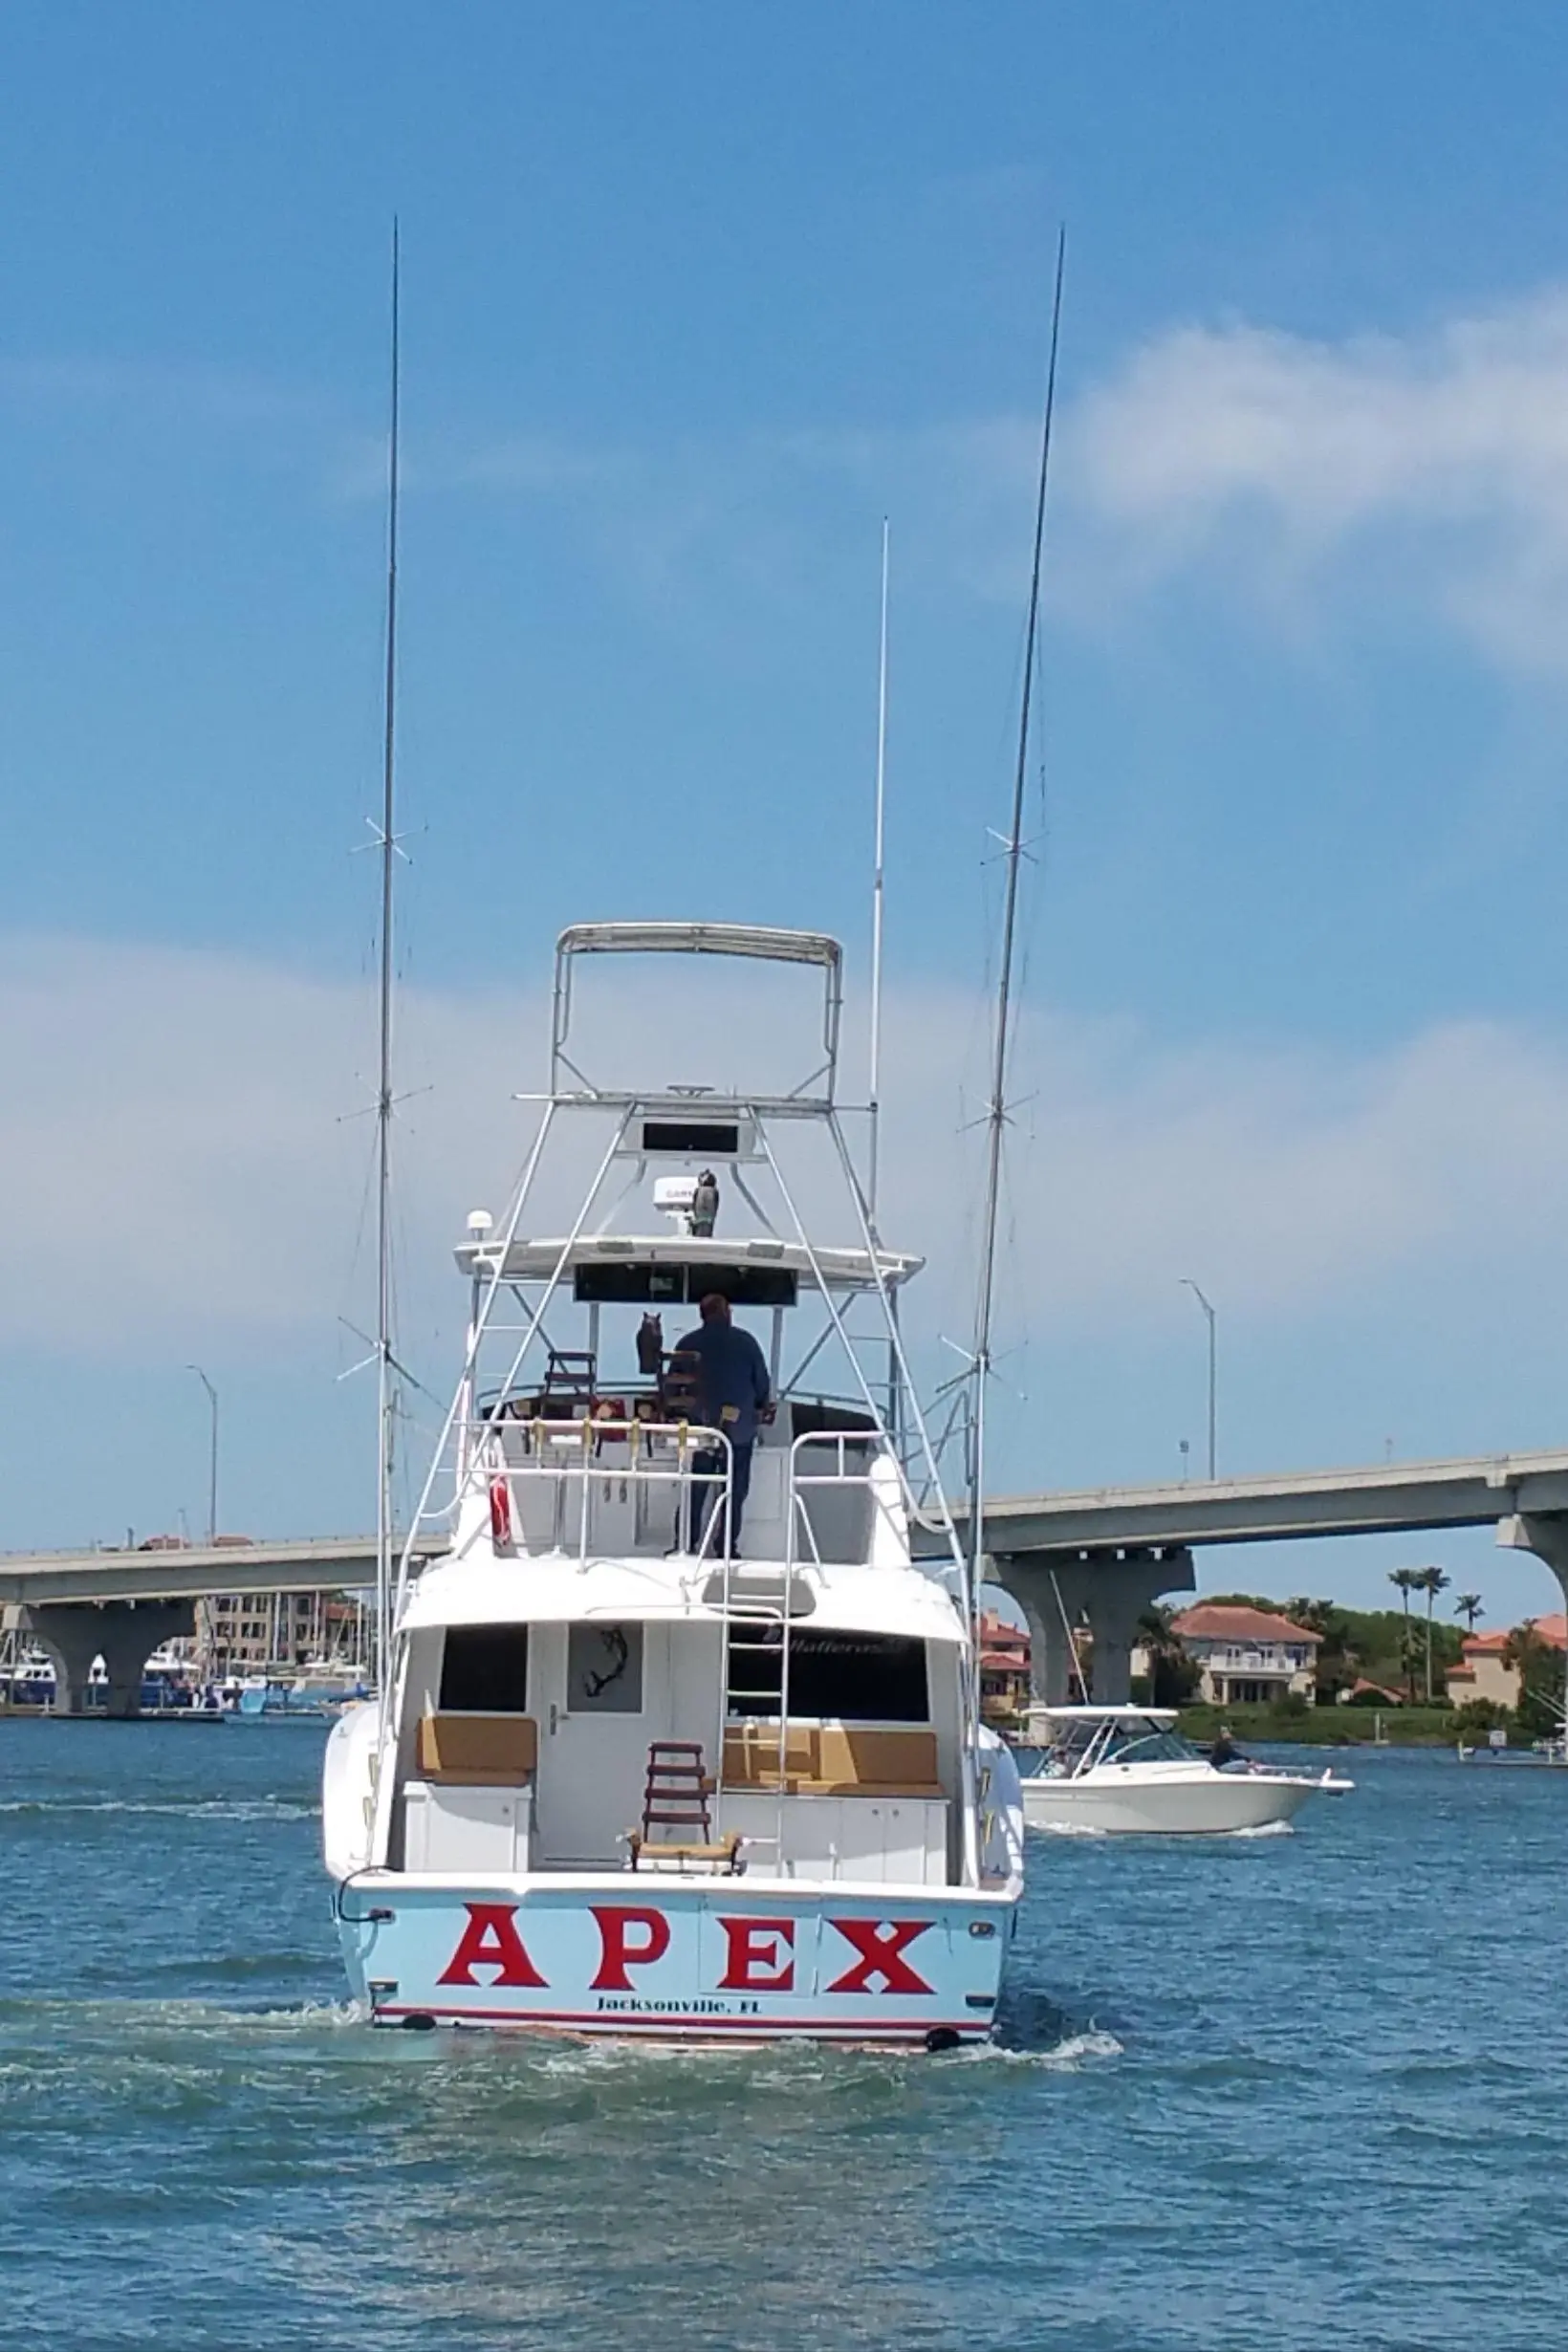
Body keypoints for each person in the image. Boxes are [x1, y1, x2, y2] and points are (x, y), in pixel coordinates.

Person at [674, 1292, 772, 1553]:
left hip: (700, 1429)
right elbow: (762, 1384)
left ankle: (685, 1543)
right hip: (738, 1430)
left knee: (695, 1489)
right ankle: (727, 1546)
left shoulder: (687, 1343)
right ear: (726, 1313)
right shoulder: (746, 1343)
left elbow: (673, 1391)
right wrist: (761, 1408)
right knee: (735, 1491)